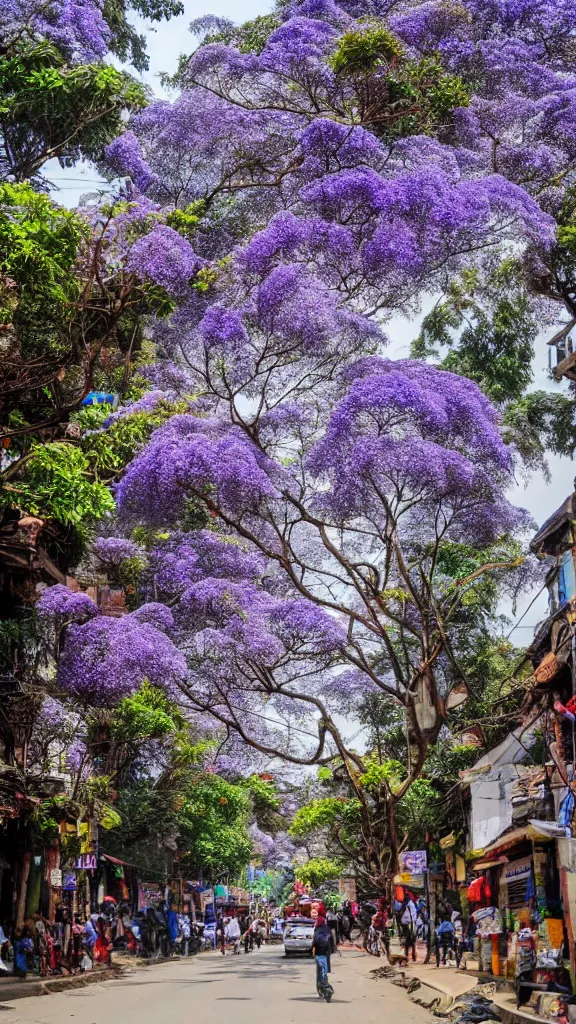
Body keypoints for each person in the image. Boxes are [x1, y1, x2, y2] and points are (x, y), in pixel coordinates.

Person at [312, 914, 335, 995]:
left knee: (319, 969)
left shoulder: (316, 929)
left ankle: (322, 984)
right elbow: (332, 941)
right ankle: (325, 982)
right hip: (326, 952)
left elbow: (314, 941)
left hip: (318, 952)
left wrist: (312, 950)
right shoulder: (328, 929)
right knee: (324, 969)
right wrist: (332, 950)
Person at [400, 895, 418, 962]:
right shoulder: (407, 904)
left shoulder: (409, 905)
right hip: (406, 923)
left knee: (412, 937)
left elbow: (412, 914)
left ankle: (411, 955)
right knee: (412, 939)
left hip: (408, 923)